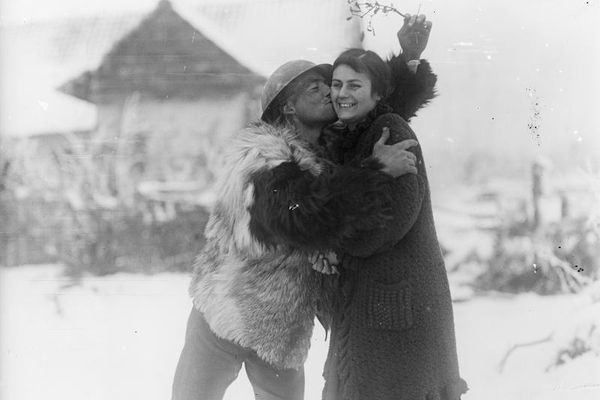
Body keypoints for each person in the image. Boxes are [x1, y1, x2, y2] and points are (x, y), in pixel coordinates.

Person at [171, 16, 437, 400]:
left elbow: (373, 108)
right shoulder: (261, 155)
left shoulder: (323, 149)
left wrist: (408, 62)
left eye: (328, 85)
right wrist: (375, 169)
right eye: (315, 88)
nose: (330, 93)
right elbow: (305, 217)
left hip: (282, 324)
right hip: (226, 312)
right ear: (289, 108)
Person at [317, 48, 468, 400]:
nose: (342, 94)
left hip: (398, 306)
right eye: (337, 84)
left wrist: (335, 240)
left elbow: (388, 224)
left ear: (378, 93)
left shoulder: (390, 131)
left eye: (355, 85)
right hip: (373, 306)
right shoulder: (353, 134)